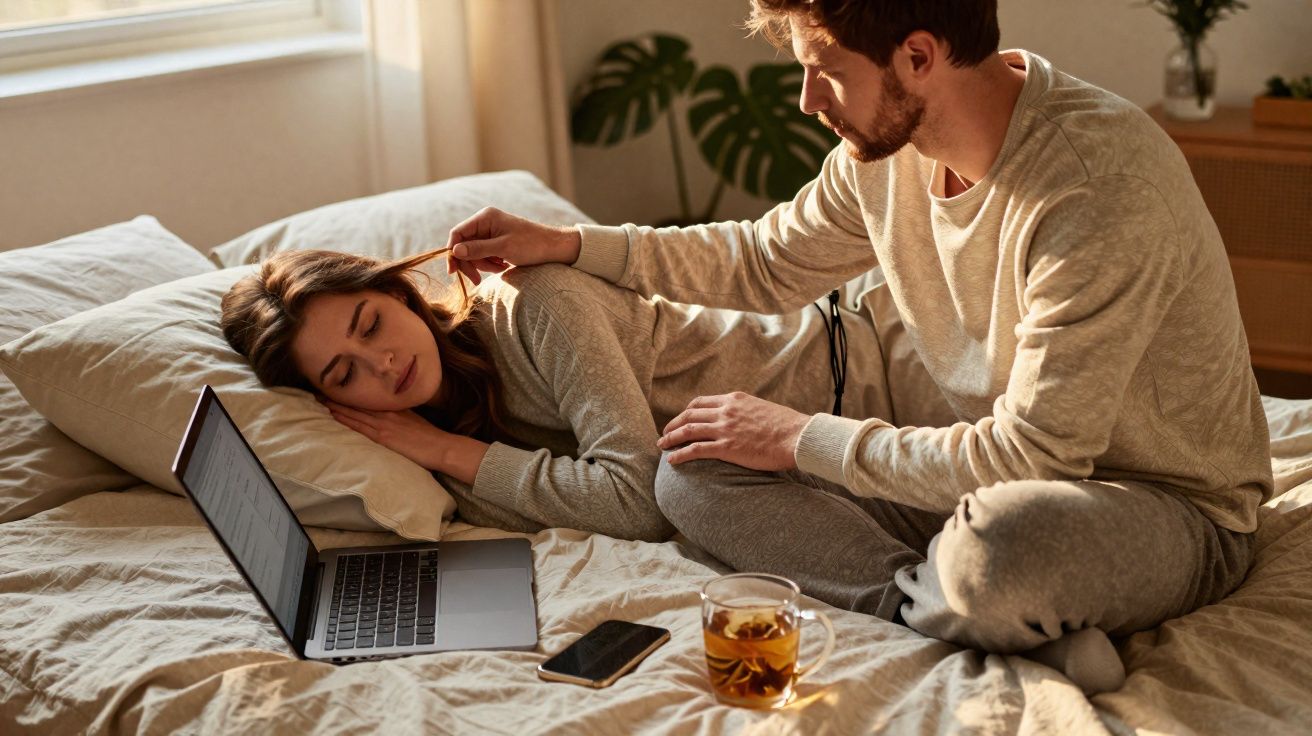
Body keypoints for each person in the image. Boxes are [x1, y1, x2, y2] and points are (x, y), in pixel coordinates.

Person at [443, 0, 1273, 695]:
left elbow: (1038, 453)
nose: (808, 100)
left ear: (918, 56)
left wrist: (799, 439)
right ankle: (937, 604)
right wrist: (573, 244)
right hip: (984, 478)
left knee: (999, 550)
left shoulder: (1094, 189)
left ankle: (969, 592)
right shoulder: (888, 156)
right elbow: (763, 260)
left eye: (826, 70)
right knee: (689, 466)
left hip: (1163, 506)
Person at [219, 247, 912, 545]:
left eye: (370, 325)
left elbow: (638, 499)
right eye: (344, 375)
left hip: (877, 370)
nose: (382, 363)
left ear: (398, 292)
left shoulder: (536, 304)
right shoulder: (433, 452)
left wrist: (447, 450)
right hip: (834, 467)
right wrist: (443, 452)